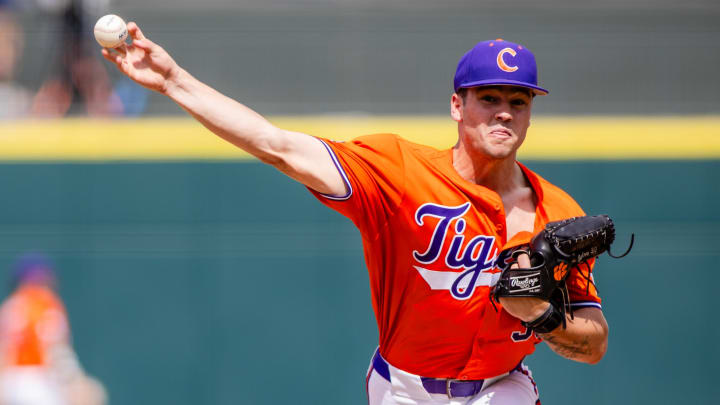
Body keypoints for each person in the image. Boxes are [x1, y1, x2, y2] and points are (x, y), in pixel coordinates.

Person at [102, 24, 608, 404]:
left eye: (517, 101)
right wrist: (172, 80)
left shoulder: (558, 212)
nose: (503, 112)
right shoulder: (398, 170)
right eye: (489, 97)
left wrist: (544, 317)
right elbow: (277, 145)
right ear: (457, 105)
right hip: (406, 391)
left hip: (503, 387)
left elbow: (594, 343)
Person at [0, 253, 107, 405]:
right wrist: (74, 382)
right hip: (39, 382)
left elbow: (4, 353)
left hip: (10, 383)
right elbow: (57, 352)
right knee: (94, 392)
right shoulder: (46, 304)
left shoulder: (9, 306)